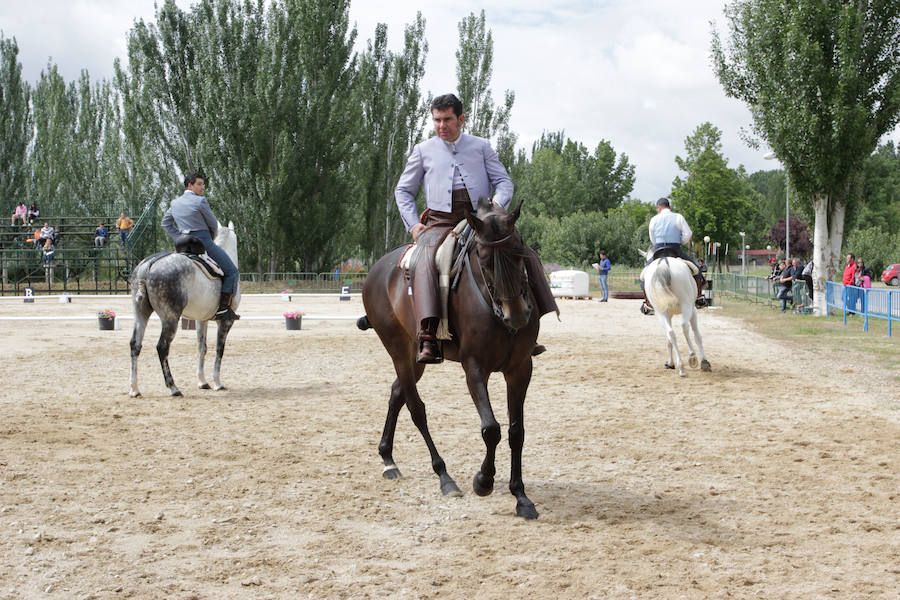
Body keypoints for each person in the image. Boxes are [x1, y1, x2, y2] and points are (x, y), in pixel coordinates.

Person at [395, 93, 558, 363]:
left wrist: (496, 206)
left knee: (523, 251)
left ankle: (531, 327)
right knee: (423, 259)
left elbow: (503, 182)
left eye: (447, 119)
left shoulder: (481, 146)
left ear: (461, 119)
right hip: (440, 221)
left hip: (482, 217)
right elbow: (403, 190)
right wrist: (414, 224)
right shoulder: (423, 150)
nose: (441, 125)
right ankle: (428, 334)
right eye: (437, 120)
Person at [162, 173, 240, 320]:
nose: (202, 187)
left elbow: (165, 223)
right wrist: (210, 238)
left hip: (181, 244)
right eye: (199, 184)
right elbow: (213, 223)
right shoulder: (201, 201)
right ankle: (223, 309)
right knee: (232, 272)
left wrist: (179, 236)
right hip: (203, 241)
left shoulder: (175, 203)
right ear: (190, 185)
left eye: (203, 184)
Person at [642, 197, 707, 313]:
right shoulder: (678, 217)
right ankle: (699, 297)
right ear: (669, 207)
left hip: (658, 250)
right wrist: (680, 241)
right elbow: (688, 234)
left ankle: (648, 303)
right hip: (675, 249)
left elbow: (652, 238)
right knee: (697, 270)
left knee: (644, 275)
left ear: (659, 208)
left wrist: (658, 244)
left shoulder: (654, 219)